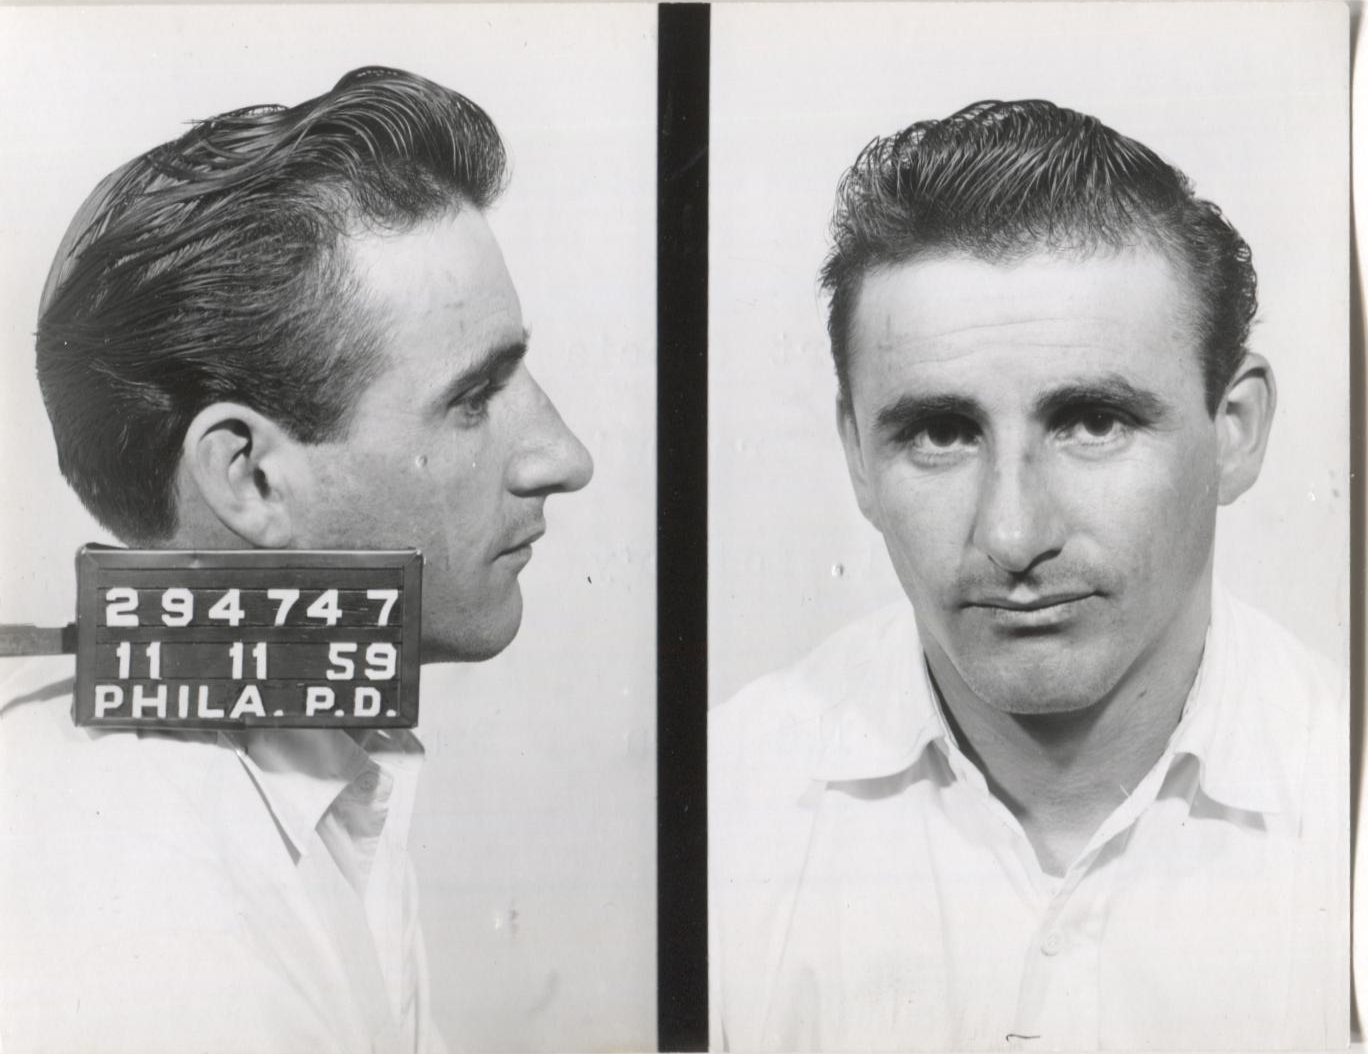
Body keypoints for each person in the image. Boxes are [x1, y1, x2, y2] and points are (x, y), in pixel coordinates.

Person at [710, 100, 1347, 1052]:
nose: (1012, 534)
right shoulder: (721, 811)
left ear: (1236, 429)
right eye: (940, 432)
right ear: (856, 455)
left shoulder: (1345, 798)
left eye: (1093, 422)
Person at [0, 66, 592, 1054]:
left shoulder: (298, 771)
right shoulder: (148, 901)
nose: (562, 458)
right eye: (473, 398)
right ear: (251, 477)